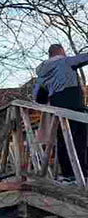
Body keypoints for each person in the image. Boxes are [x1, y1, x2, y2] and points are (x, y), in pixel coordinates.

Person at [33, 44, 88, 181]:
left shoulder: (42, 73)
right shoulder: (65, 61)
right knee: (80, 139)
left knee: (63, 140)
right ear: (61, 51)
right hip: (74, 105)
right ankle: (83, 173)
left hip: (56, 109)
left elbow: (39, 98)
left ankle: (68, 174)